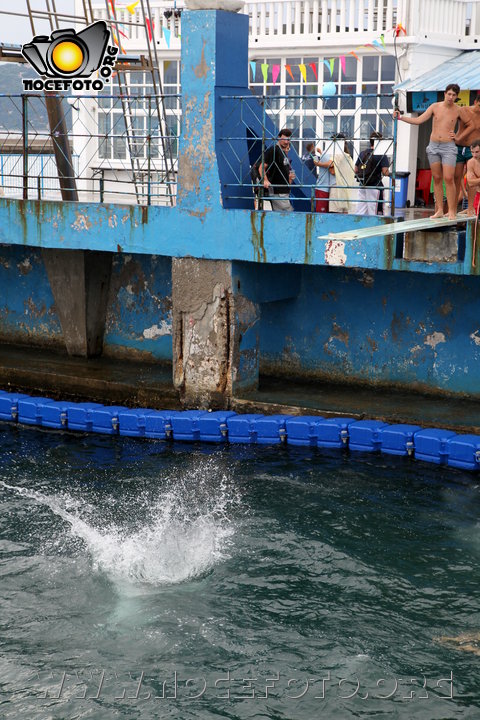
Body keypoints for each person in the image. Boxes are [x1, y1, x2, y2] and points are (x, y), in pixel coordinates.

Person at [394, 84, 461, 219]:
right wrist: (401, 117)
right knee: (436, 178)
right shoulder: (435, 106)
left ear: (457, 96)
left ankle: (452, 210)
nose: (451, 97)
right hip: (434, 146)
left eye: (454, 95)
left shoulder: (458, 110)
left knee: (448, 178)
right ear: (445, 94)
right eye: (449, 94)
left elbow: (469, 124)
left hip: (449, 147)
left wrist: (458, 136)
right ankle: (440, 210)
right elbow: (419, 120)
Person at [454, 95, 480, 211]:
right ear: (475, 102)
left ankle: (470, 208)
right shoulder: (464, 110)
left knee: (472, 179)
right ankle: (452, 209)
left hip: (473, 151)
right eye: (479, 105)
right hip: (459, 147)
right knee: (456, 177)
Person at [354, 131, 390, 215]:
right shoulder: (381, 154)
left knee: (361, 210)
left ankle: (360, 227)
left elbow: (356, 169)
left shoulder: (363, 153)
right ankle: (376, 227)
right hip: (375, 186)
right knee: (375, 211)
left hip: (363, 185)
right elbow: (385, 172)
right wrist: (391, 174)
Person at [261, 128, 296, 212]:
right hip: (278, 191)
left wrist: (289, 178)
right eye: (284, 139)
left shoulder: (282, 152)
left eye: (288, 139)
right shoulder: (274, 150)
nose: (286, 142)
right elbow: (262, 167)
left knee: (282, 217)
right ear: (279, 137)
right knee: (287, 215)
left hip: (283, 192)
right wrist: (265, 180)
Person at [314, 142, 335, 212]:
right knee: (322, 213)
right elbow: (330, 164)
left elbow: (316, 161)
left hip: (325, 187)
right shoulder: (327, 155)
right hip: (324, 188)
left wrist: (318, 163)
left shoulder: (325, 154)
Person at [466, 139, 480, 216]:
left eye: (477, 152)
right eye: (472, 152)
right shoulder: (471, 162)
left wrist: (476, 180)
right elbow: (470, 183)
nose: (474, 155)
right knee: (476, 221)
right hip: (478, 195)